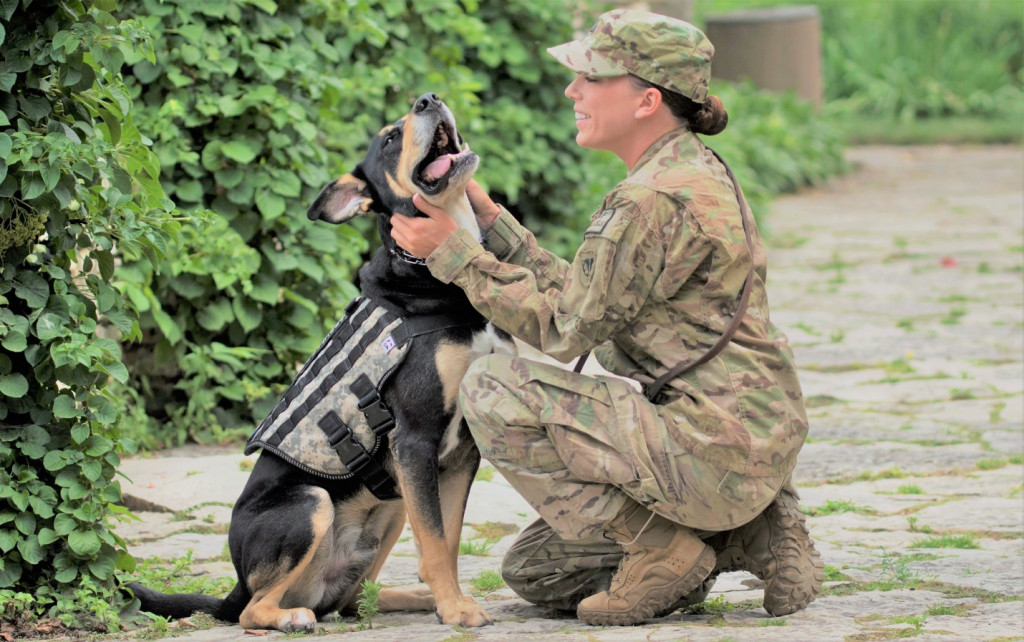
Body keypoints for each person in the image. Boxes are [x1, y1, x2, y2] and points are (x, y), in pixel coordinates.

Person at [389, 9, 823, 626]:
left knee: (490, 387)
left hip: (709, 447)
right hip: (750, 438)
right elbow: (594, 299)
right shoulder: (688, 172)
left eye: (590, 79)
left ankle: (664, 551)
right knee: (539, 572)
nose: (574, 92)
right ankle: (752, 533)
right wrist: (490, 223)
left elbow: (563, 332)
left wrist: (454, 255)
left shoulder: (648, 200)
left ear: (646, 99)